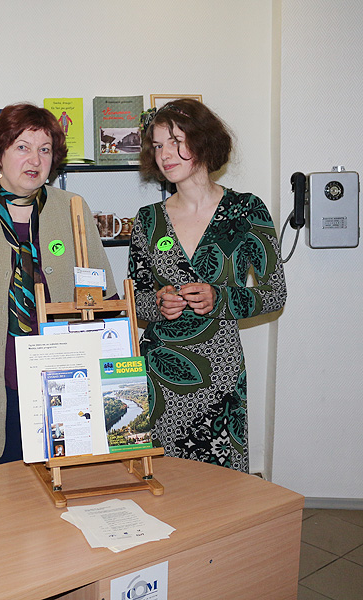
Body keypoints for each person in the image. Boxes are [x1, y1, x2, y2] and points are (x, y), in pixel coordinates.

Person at [0, 103, 117, 471]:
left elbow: (105, 301)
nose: (35, 159)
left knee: (65, 495)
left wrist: (114, 379)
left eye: (45, 149)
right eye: (22, 147)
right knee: (0, 498)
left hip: (67, 388)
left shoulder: (73, 209)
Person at [128, 99, 287, 472]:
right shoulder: (148, 220)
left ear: (202, 140)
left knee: (222, 489)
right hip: (158, 375)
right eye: (158, 145)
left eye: (175, 141)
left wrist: (221, 298)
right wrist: (157, 303)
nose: (165, 154)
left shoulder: (246, 211)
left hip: (220, 374)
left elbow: (275, 293)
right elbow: (134, 297)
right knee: (160, 482)